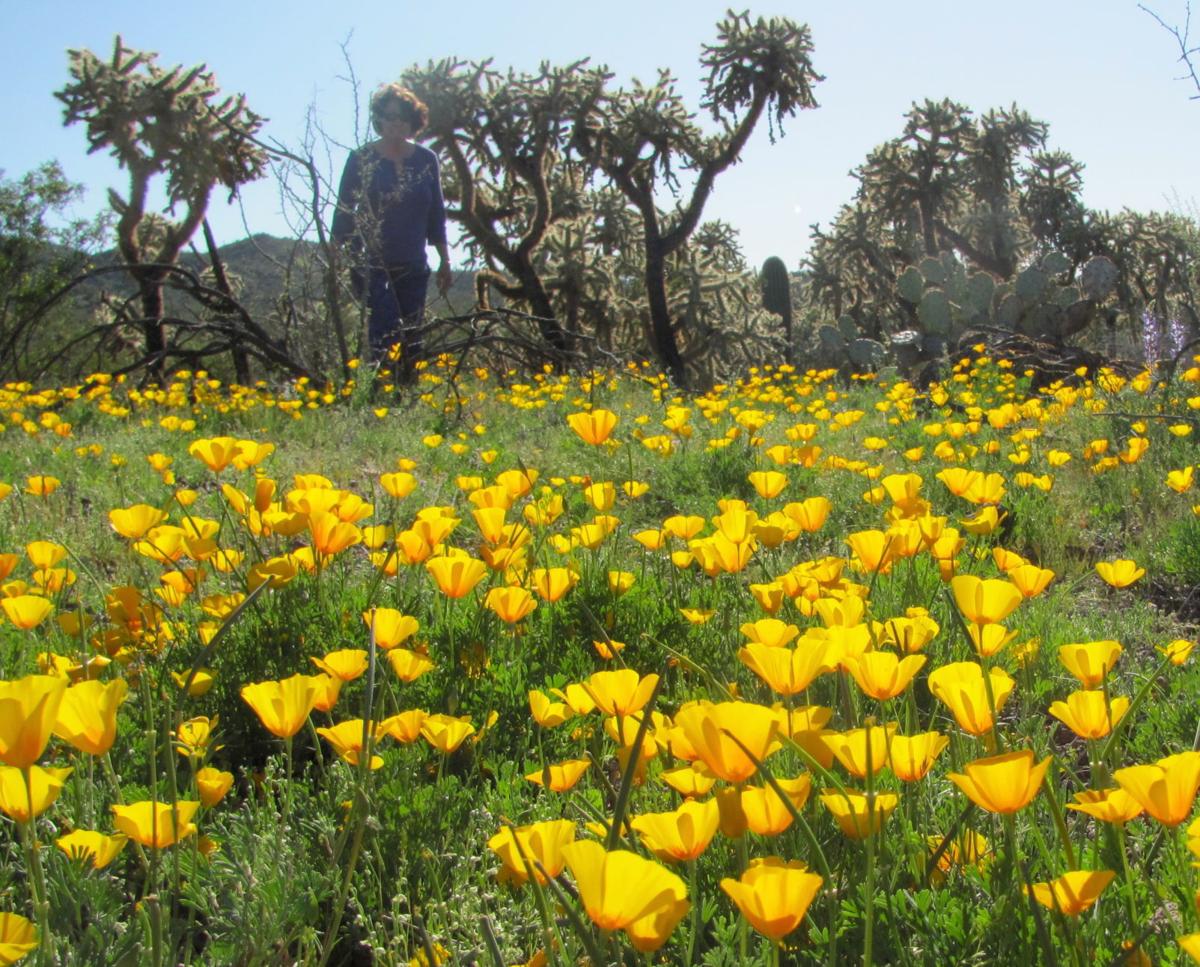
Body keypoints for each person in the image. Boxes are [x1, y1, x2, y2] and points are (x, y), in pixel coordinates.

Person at [331, 83, 452, 377]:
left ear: (412, 121)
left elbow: (436, 212)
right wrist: (333, 262)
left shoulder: (426, 160)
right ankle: (379, 395)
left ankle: (406, 400)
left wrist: (445, 261)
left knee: (412, 335)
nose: (395, 123)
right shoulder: (361, 159)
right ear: (379, 119)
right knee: (383, 331)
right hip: (371, 262)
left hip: (413, 261)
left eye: (402, 117)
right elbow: (344, 213)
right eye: (389, 116)